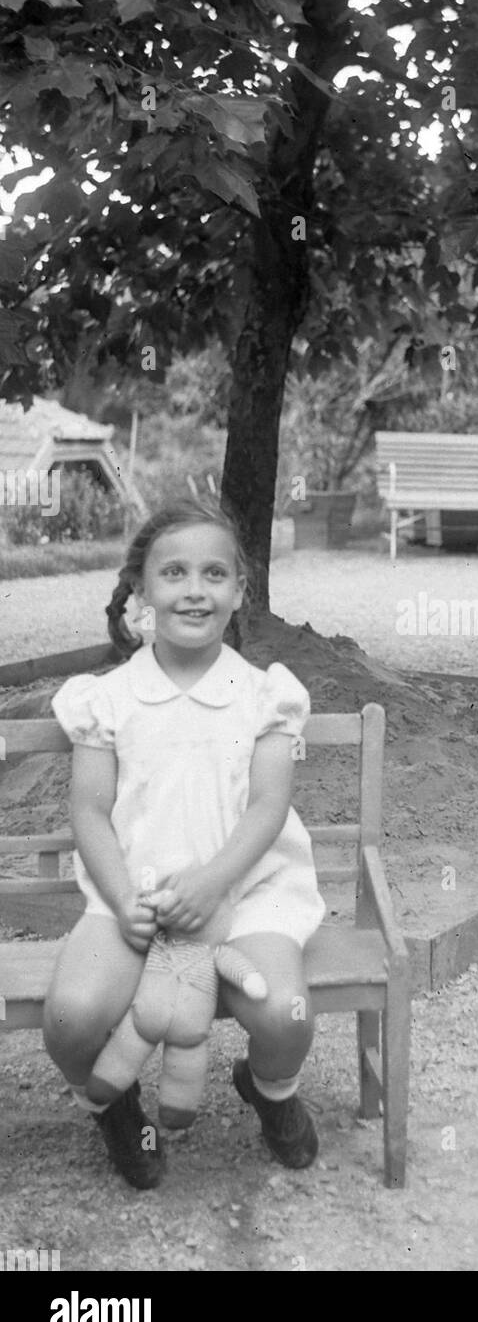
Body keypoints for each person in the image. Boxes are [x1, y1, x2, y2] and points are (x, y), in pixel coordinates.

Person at [43, 497, 325, 1189]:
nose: (194, 589)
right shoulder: (105, 699)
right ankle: (116, 1106)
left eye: (213, 573)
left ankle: (270, 1090)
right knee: (71, 1020)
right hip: (131, 896)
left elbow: (268, 805)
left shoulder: (266, 696)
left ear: (238, 591)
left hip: (245, 892)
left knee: (286, 1014)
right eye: (173, 573)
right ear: (141, 591)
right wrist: (121, 898)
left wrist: (212, 884)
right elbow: (90, 810)